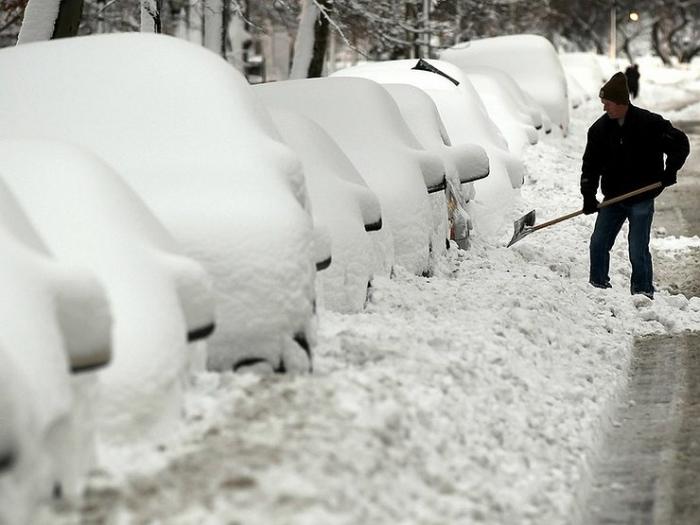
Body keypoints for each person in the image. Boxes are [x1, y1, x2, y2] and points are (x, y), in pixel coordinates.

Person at [580, 72, 690, 298]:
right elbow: (590, 165)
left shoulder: (649, 124)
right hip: (613, 198)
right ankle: (598, 288)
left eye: (607, 104)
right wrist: (588, 196)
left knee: (637, 249)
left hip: (642, 196)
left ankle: (643, 292)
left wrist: (670, 170)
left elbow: (680, 143)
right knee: (598, 243)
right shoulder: (599, 130)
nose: (604, 108)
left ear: (621, 102)